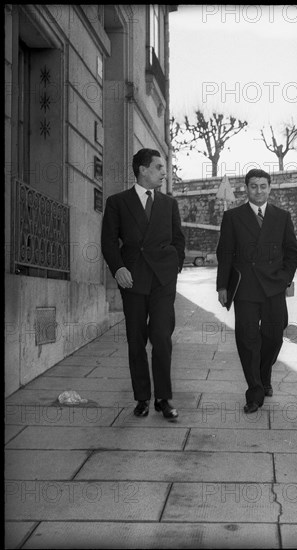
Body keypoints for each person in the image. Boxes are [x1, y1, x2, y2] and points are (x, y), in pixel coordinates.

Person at [101, 148, 186, 420]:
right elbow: (108, 241)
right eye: (159, 167)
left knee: (162, 337)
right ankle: (141, 398)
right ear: (142, 170)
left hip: (162, 280)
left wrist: (175, 267)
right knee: (136, 340)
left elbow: (178, 239)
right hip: (133, 280)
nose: (164, 172)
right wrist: (118, 268)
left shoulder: (168, 204)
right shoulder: (117, 202)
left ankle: (163, 397)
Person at [216, 168, 297, 414]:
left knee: (274, 336)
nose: (259, 190)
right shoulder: (233, 217)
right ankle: (254, 392)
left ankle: (264, 375)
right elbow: (225, 253)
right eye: (254, 186)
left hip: (274, 287)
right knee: (248, 340)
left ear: (270, 188)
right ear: (246, 188)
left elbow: (292, 252)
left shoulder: (282, 216)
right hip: (246, 289)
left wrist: (284, 279)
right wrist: (222, 286)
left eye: (263, 186)